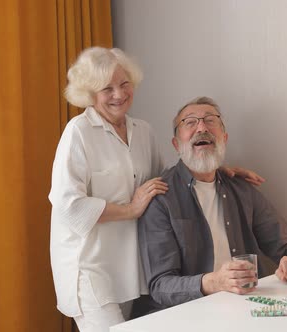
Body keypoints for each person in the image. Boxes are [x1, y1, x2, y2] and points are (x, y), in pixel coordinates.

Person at [49, 48, 264, 332]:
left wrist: (217, 170)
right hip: (90, 268)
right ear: (90, 93)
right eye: (107, 88)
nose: (118, 94)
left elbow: (170, 181)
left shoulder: (143, 131)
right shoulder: (79, 132)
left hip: (128, 266)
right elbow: (68, 205)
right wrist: (130, 209)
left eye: (124, 84)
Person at [138, 96, 287, 308]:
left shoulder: (241, 189)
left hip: (245, 306)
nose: (201, 127)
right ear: (176, 144)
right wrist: (214, 282)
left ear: (224, 137)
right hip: (191, 314)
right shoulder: (160, 197)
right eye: (190, 122)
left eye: (210, 120)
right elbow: (161, 285)